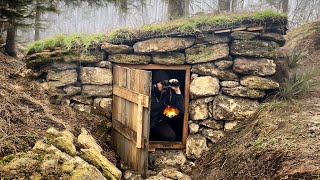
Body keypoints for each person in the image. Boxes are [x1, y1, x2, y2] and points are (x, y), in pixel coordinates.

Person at [150, 70, 184, 141]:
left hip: (158, 123)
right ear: (154, 84)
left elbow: (181, 110)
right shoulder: (148, 93)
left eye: (166, 83)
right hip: (145, 122)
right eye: (162, 83)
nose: (164, 86)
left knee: (170, 136)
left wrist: (177, 90)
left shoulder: (168, 95)